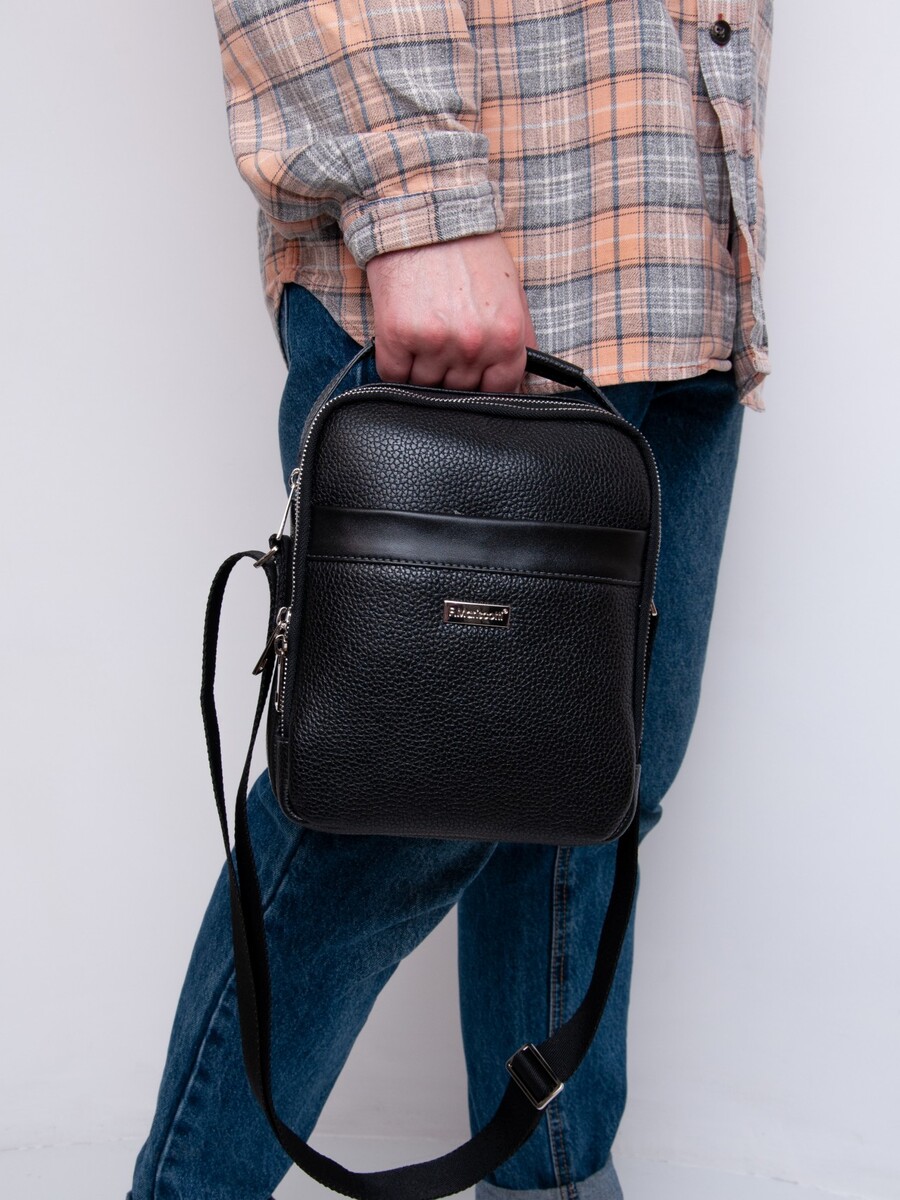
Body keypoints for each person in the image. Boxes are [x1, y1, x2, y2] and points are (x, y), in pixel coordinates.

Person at [128, 1, 773, 1197]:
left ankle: (554, 1184)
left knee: (592, 792)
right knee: (377, 813)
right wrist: (416, 200)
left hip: (677, 255)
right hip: (487, 243)